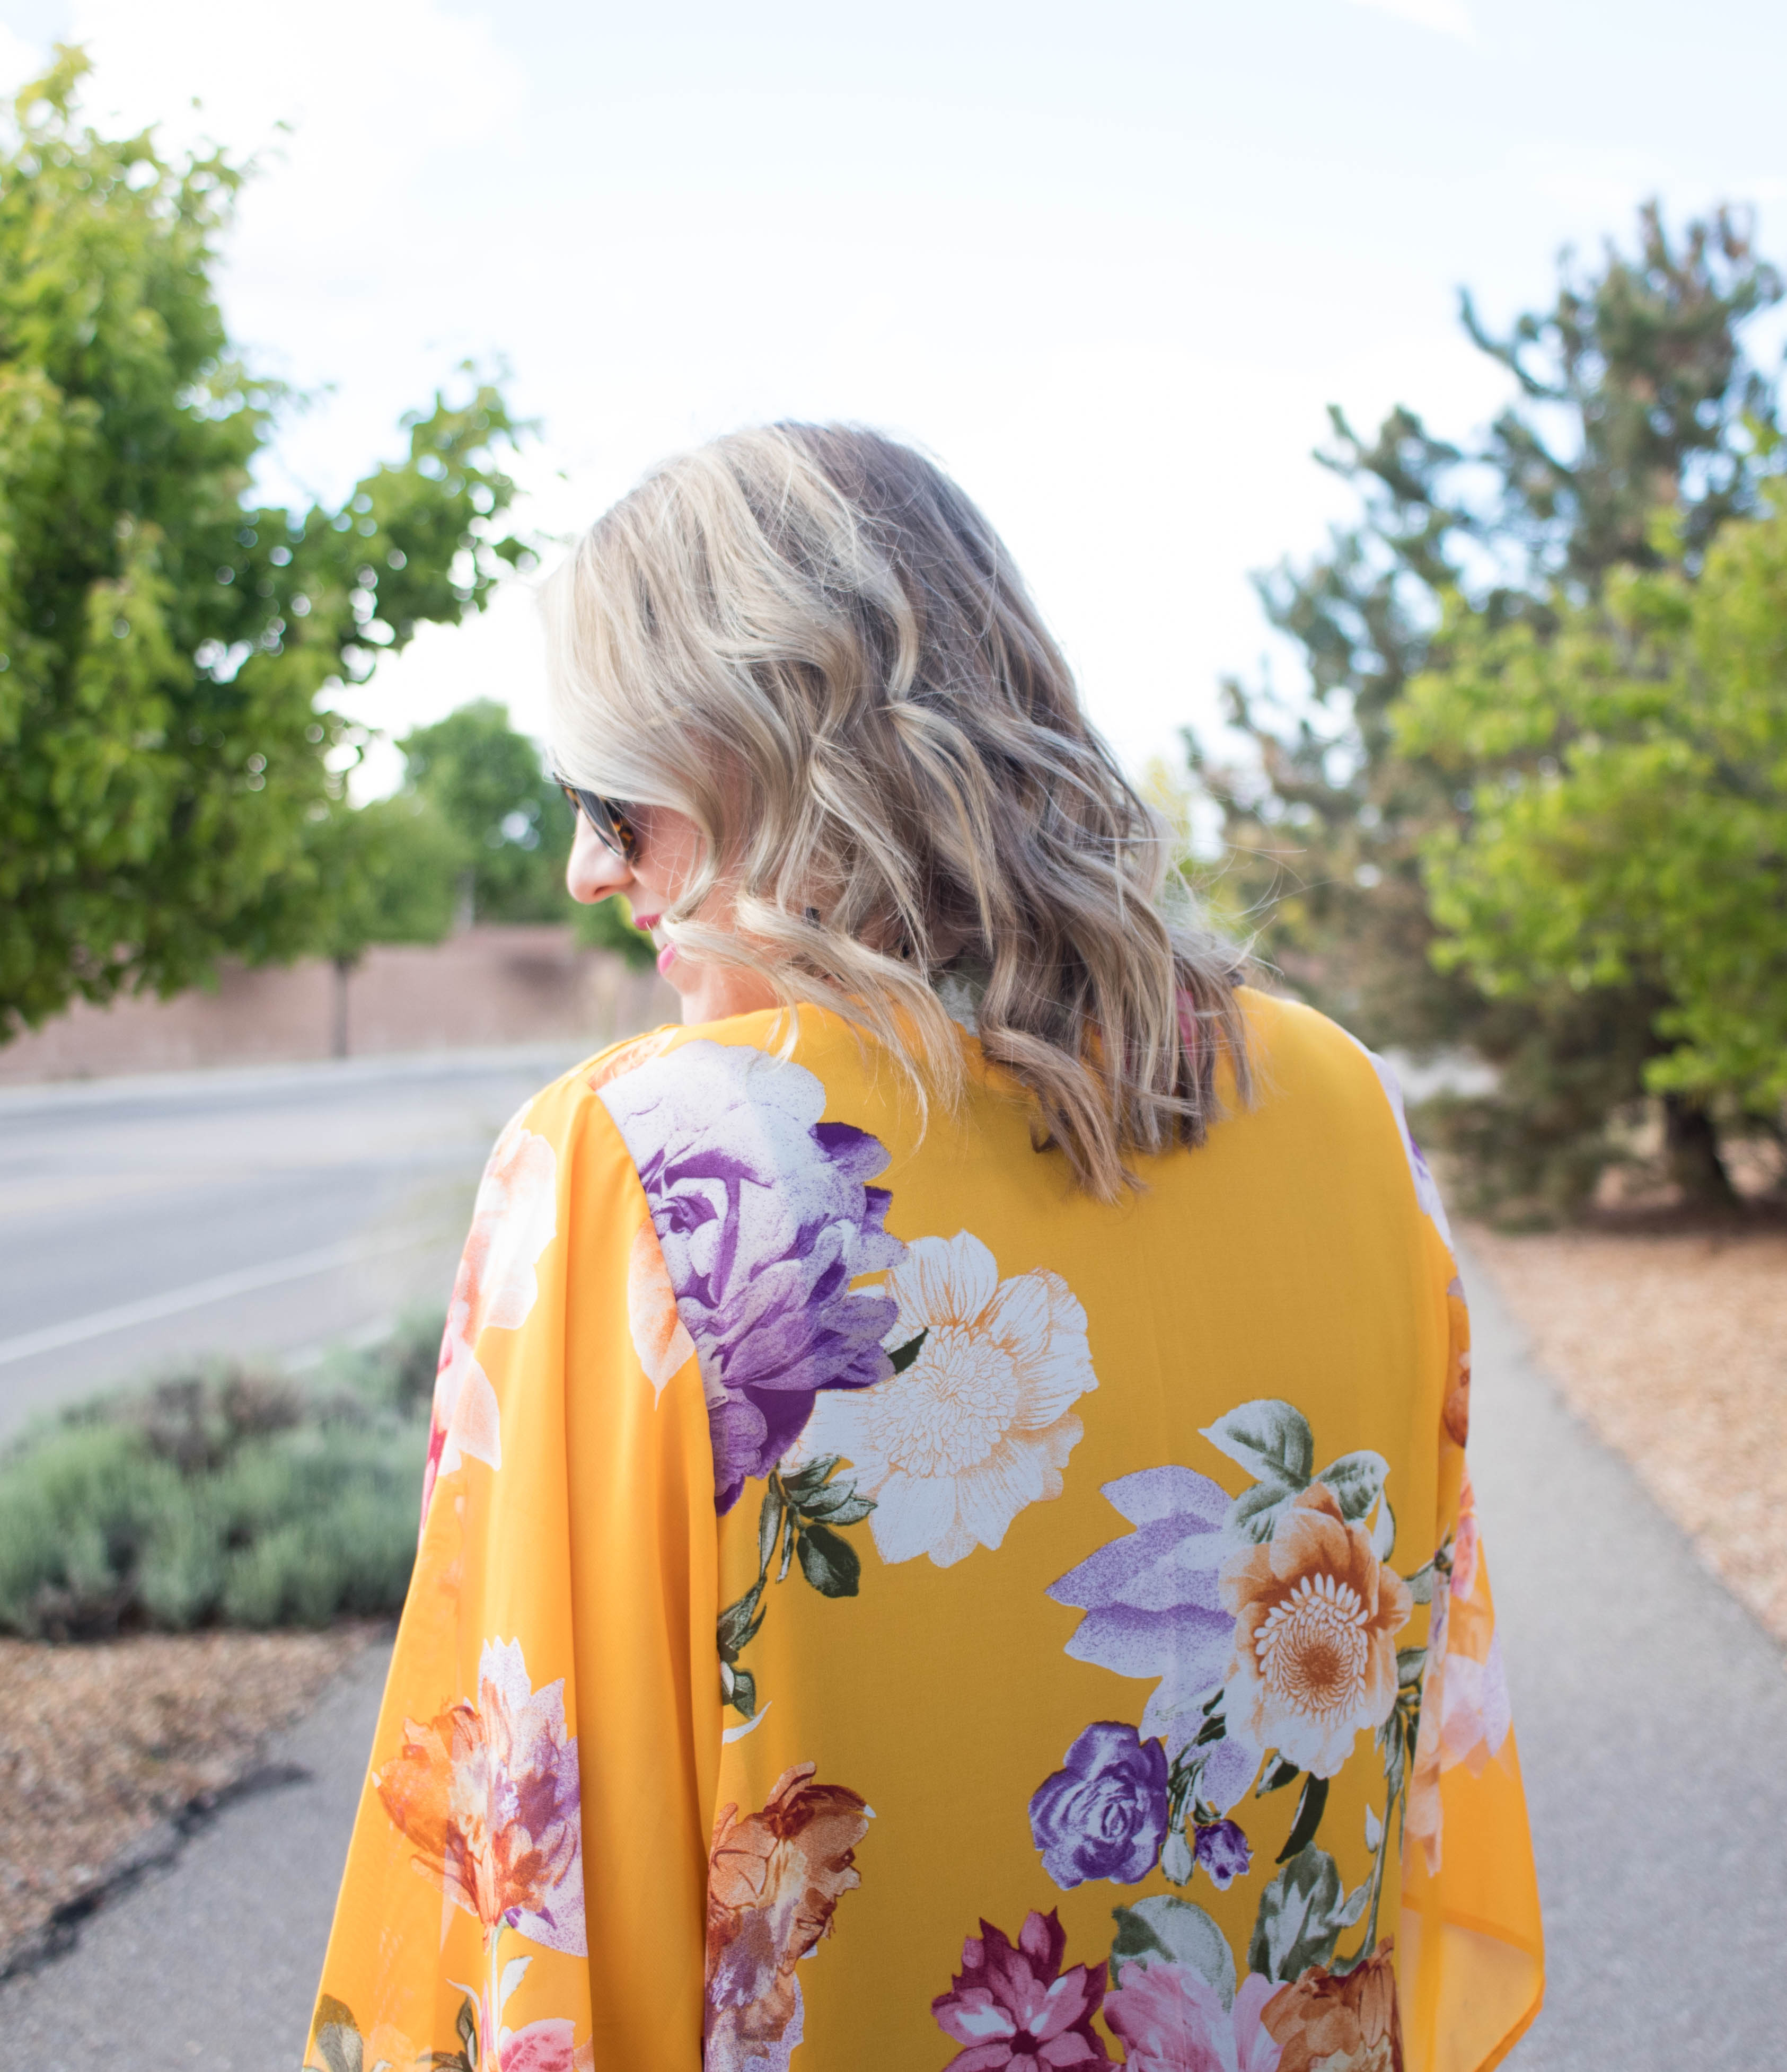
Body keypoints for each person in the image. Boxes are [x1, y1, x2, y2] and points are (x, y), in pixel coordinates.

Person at [306, 425, 1542, 2072]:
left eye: (613, 800)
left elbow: (535, 1865)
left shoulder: (639, 1162)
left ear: (760, 749)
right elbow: (1410, 1728)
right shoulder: (1341, 1104)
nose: (587, 868)